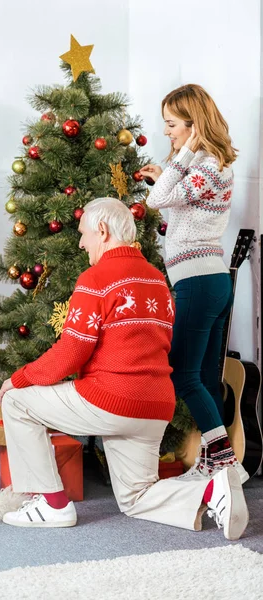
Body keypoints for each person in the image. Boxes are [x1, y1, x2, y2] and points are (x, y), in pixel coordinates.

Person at [0, 197, 248, 540]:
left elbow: (71, 352)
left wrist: (19, 378)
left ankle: (52, 504)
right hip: (156, 406)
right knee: (136, 498)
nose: (82, 242)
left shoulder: (96, 278)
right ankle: (211, 492)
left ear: (102, 230)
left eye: (84, 233)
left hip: (111, 401)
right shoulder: (157, 279)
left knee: (16, 400)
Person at [140, 84, 249, 484]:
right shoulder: (208, 165)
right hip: (210, 280)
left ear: (193, 123)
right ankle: (214, 463)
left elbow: (158, 202)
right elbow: (178, 210)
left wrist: (179, 159)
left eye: (171, 124)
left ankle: (224, 462)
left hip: (200, 282)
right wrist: (166, 173)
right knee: (204, 377)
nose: (167, 132)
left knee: (183, 375)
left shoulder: (207, 163)